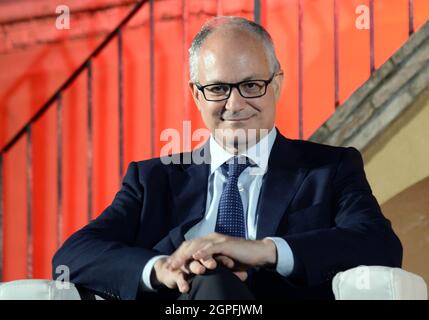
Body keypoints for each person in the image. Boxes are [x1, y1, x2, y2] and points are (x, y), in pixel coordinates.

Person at [52, 16, 402, 300]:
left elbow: (379, 246)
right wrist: (160, 269)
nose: (234, 105)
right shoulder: (153, 179)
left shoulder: (329, 169)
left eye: (252, 86)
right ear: (196, 93)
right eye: (218, 89)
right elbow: (73, 256)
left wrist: (263, 251)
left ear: (276, 83)